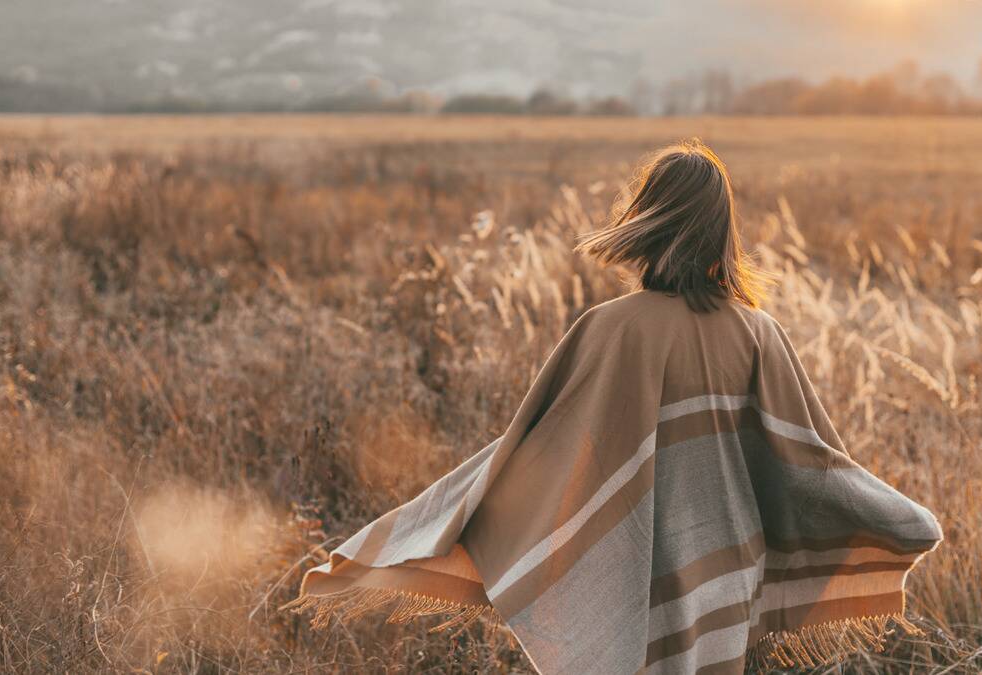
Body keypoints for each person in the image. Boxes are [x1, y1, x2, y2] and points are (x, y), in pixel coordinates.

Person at [287, 138, 943, 674]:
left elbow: (532, 452)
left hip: (643, 565)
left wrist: (410, 533)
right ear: (721, 228)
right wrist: (900, 517)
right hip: (728, 571)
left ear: (648, 218)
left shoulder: (612, 327)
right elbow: (811, 459)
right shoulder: (758, 331)